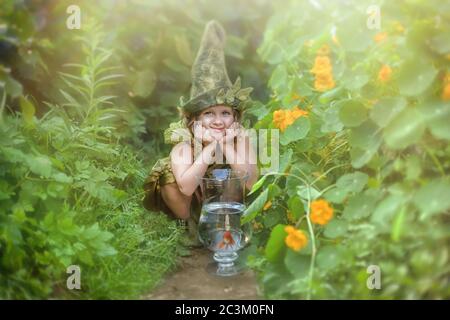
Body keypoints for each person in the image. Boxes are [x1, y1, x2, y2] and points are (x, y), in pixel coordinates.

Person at [142, 20, 259, 240]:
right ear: (194, 119)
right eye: (208, 114)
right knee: (168, 175)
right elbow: (186, 187)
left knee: (231, 173)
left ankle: (226, 225)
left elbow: (251, 181)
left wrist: (225, 145)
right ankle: (189, 226)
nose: (218, 121)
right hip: (191, 202)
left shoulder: (239, 138)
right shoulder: (185, 140)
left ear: (235, 117)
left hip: (225, 203)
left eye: (225, 113)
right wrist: (210, 148)